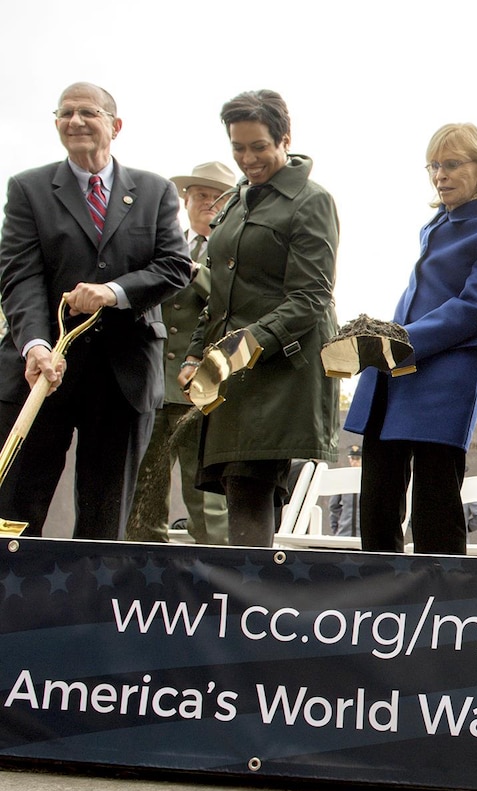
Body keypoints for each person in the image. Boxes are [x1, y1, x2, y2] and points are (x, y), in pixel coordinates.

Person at [0, 82, 191, 539]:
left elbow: (175, 265)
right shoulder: (28, 189)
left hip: (123, 377)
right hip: (42, 374)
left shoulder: (155, 191)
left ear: (115, 125)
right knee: (17, 510)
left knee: (105, 518)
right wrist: (36, 345)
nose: (74, 121)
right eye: (64, 113)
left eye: (87, 112)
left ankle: (88, 610)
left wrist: (113, 291)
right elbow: (18, 275)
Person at [345, 123, 477, 554]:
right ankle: (377, 606)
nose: (439, 175)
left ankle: (443, 611)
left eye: (451, 164)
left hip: (441, 384)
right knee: (377, 507)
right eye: (433, 166)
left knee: (435, 510)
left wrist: (398, 339)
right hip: (393, 375)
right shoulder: (434, 226)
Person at [179, 90, 340, 547]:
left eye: (259, 146)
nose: (248, 158)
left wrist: (238, 348)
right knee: (238, 488)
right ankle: (252, 604)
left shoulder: (311, 201)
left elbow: (311, 297)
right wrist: (195, 354)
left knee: (249, 484)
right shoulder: (235, 202)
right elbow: (218, 295)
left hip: (279, 375)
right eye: (238, 147)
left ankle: (247, 607)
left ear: (284, 140)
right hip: (230, 375)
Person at [127, 161, 235, 545]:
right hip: (152, 383)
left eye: (217, 197)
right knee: (144, 487)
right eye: (200, 194)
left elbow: (235, 304)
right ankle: (140, 573)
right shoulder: (165, 245)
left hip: (203, 386)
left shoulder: (233, 248)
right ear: (185, 200)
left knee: (205, 493)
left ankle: (215, 578)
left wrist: (195, 274)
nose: (209, 203)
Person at [328, 444, 362, 537]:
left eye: (357, 459)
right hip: (344, 532)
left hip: (364, 534)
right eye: (352, 459)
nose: (354, 462)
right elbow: (333, 506)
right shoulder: (344, 479)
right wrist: (338, 526)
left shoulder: (369, 481)